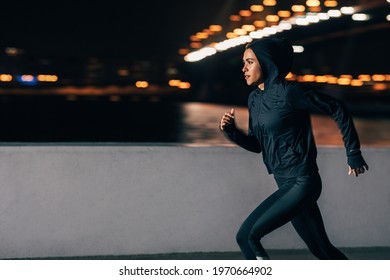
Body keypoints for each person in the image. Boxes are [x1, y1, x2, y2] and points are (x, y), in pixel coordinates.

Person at [219, 37, 369, 260]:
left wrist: (353, 153)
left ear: (266, 62)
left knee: (247, 237)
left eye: (249, 62)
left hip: (302, 182)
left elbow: (337, 107)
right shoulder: (254, 99)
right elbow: (257, 146)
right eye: (243, 63)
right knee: (322, 249)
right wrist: (232, 132)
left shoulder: (290, 92)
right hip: (283, 181)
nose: (244, 68)